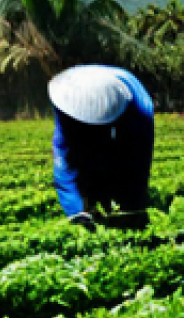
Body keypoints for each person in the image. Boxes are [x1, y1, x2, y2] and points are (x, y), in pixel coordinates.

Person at [48, 65, 155, 229]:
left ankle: (127, 207)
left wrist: (132, 203)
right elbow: (65, 162)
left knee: (129, 167)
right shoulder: (66, 99)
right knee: (77, 159)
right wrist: (76, 212)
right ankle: (84, 205)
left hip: (130, 101)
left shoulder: (139, 107)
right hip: (73, 92)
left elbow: (137, 158)